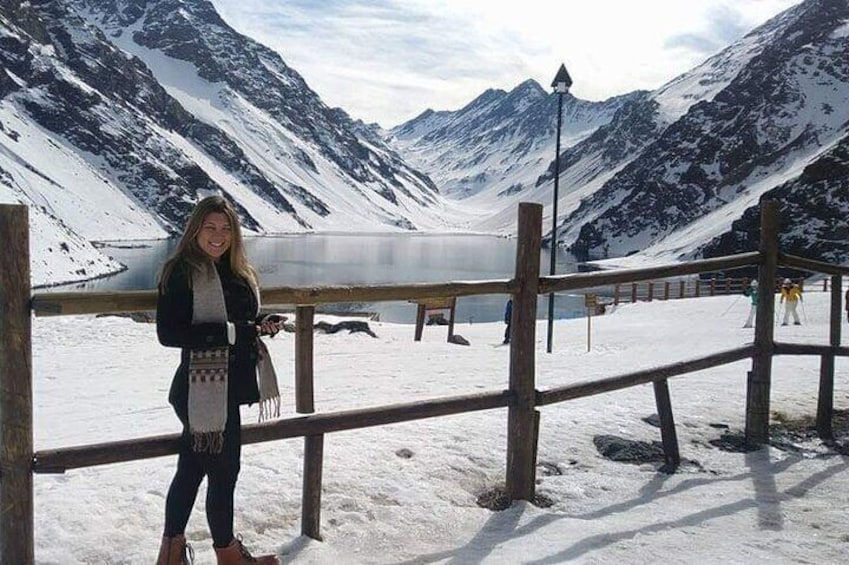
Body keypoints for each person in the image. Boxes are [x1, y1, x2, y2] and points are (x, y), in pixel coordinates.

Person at [155, 195, 282, 565]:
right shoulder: (181, 271)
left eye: (226, 228)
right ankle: (229, 557)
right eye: (210, 227)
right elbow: (170, 333)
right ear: (195, 229)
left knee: (192, 470)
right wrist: (238, 332)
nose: (218, 235)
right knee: (225, 474)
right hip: (201, 390)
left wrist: (261, 325)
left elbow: (242, 323)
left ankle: (171, 555)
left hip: (225, 388)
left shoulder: (234, 270)